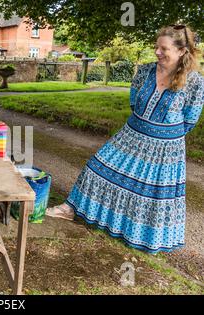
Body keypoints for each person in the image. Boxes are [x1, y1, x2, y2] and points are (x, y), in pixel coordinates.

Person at [47, 25, 204, 254]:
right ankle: (70, 209)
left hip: (165, 148)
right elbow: (134, 100)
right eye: (156, 47)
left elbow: (190, 120)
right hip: (131, 134)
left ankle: (141, 235)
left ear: (182, 51)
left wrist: (162, 134)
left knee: (150, 193)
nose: (157, 52)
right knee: (96, 168)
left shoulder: (195, 82)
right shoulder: (146, 71)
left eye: (164, 48)